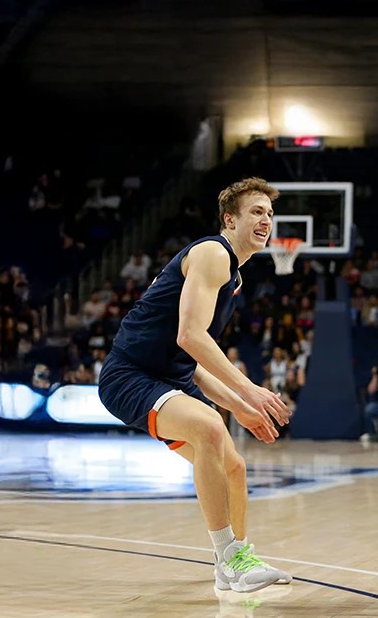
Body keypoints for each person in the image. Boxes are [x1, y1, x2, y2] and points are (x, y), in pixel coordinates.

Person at [96, 177, 296, 593]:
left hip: (168, 379)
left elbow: (192, 363)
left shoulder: (233, 277)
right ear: (229, 219)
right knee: (207, 426)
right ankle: (230, 560)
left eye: (270, 215)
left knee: (235, 467)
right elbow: (191, 336)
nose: (266, 221)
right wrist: (250, 390)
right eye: (256, 212)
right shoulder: (212, 253)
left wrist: (239, 405)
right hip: (129, 376)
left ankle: (235, 564)